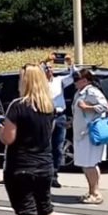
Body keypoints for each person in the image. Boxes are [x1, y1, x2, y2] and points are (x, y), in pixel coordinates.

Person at [0, 64, 60, 215]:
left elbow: (9, 138)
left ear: (25, 81)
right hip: (44, 164)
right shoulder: (48, 105)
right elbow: (48, 134)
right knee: (46, 206)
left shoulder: (18, 105)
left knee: (27, 211)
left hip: (21, 165)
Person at [71, 69, 108, 204]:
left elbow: (105, 107)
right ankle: (92, 191)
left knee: (90, 164)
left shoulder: (91, 91)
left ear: (85, 81)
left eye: (77, 79)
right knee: (87, 164)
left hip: (88, 134)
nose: (75, 82)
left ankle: (95, 193)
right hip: (81, 133)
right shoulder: (80, 92)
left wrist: (87, 107)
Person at [41, 56, 75, 188]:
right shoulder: (40, 83)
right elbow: (32, 72)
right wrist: (45, 60)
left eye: (50, 68)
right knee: (46, 146)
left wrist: (70, 63)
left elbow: (73, 76)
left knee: (58, 148)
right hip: (46, 116)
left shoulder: (59, 80)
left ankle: (54, 175)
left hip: (60, 116)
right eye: (46, 68)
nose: (49, 70)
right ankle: (45, 174)